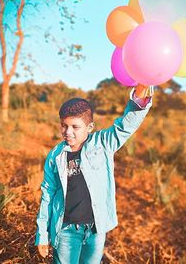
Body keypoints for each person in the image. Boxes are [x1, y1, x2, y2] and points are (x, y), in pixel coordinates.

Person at [35, 84, 154, 263]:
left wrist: (140, 95)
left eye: (75, 127)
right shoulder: (56, 155)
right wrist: (42, 235)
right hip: (66, 230)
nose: (68, 132)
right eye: (64, 126)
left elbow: (125, 126)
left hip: (95, 230)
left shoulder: (103, 144)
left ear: (90, 127)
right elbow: (48, 194)